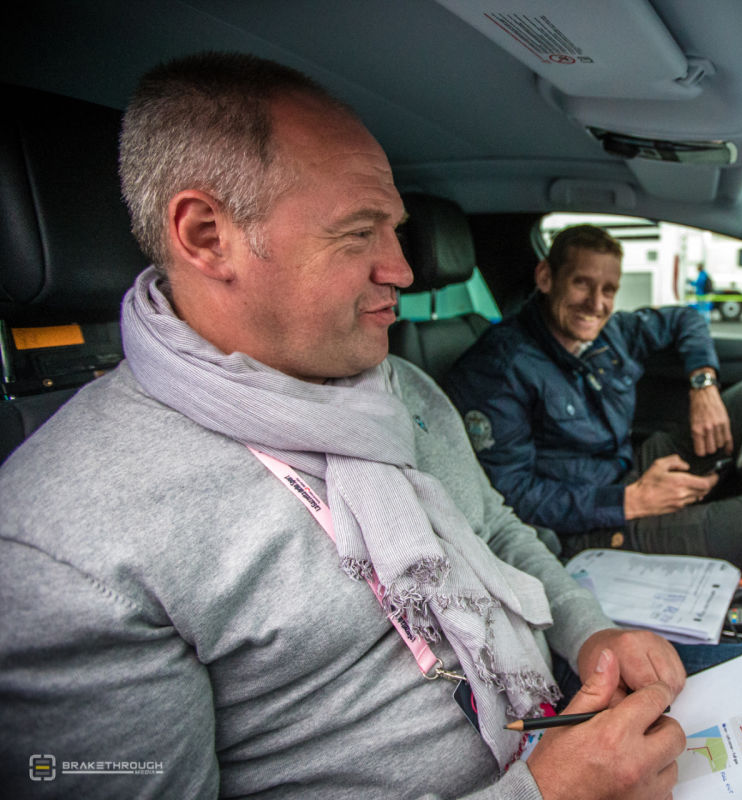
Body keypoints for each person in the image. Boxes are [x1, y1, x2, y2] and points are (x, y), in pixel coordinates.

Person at [0, 53, 688, 799]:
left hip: (560, 715)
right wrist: (547, 794)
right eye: (359, 233)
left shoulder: (403, 389)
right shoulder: (68, 548)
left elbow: (494, 529)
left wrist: (590, 633)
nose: (402, 270)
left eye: (395, 231)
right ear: (208, 236)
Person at [442, 225, 742, 575]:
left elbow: (686, 319)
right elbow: (510, 495)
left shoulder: (612, 332)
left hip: (628, 470)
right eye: (581, 284)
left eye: (608, 290)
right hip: (583, 525)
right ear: (545, 277)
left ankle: (740, 518)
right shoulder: (500, 368)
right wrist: (630, 501)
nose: (596, 304)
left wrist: (703, 384)